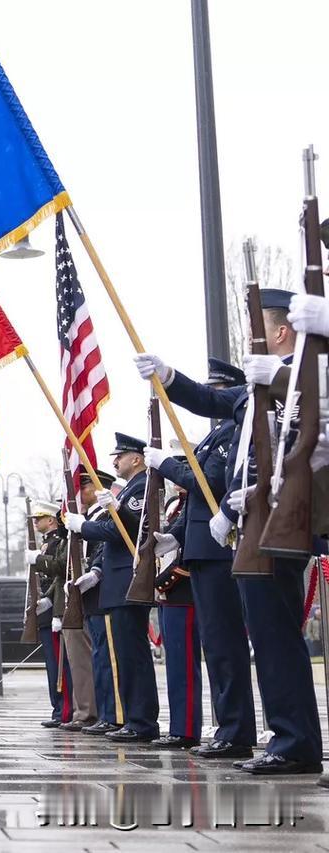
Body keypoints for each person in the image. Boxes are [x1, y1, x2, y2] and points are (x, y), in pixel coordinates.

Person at [146, 289, 322, 775]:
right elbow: (210, 400)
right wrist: (168, 377)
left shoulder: (306, 374)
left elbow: (309, 439)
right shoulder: (254, 388)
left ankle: (295, 741)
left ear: (281, 332)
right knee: (267, 637)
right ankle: (290, 737)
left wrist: (251, 495)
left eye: (257, 328)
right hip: (254, 522)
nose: (249, 339)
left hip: (281, 519)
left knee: (276, 635)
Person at [137, 357, 253, 758]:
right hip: (203, 550)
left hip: (221, 550)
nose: (210, 397)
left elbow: (213, 484)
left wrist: (168, 466)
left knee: (225, 644)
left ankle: (236, 731)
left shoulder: (233, 432)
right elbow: (195, 507)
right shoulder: (213, 437)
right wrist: (176, 538)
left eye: (215, 391)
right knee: (217, 647)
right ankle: (229, 728)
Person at [64, 433, 159, 743]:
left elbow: (125, 531)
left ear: (137, 458)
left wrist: (86, 526)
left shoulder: (141, 485)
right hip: (117, 582)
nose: (115, 461)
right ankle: (133, 718)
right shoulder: (132, 487)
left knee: (132, 655)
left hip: (127, 579)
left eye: (120, 456)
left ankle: (141, 720)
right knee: (125, 655)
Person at [68, 470, 119, 735]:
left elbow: (105, 546)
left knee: (108, 657)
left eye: (84, 485)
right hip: (91, 596)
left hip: (104, 592)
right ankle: (105, 714)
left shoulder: (106, 513)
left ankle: (113, 714)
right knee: (99, 657)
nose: (80, 492)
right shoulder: (91, 517)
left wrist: (95, 571)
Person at [154, 484, 202, 749]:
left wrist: (167, 579)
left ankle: (186, 729)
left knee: (184, 665)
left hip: (183, 590)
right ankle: (178, 726)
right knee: (174, 665)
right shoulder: (176, 506)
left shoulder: (192, 504)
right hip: (169, 594)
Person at [25, 501, 80, 728]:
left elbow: (60, 567)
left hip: (56, 605)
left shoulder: (59, 541)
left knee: (59, 662)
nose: (35, 522)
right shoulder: (48, 543)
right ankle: (58, 708)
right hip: (47, 604)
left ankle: (64, 710)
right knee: (52, 661)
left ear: (51, 520)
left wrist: (38, 560)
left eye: (40, 518)